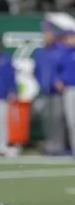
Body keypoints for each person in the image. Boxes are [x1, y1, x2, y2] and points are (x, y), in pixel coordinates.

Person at [33, 22, 66, 155]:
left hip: (58, 92)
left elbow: (65, 68)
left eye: (50, 34)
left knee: (58, 118)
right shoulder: (40, 52)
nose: (48, 37)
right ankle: (51, 144)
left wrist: (60, 81)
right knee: (47, 119)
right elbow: (36, 71)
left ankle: (59, 145)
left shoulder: (60, 51)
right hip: (45, 91)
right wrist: (41, 83)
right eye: (46, 34)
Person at [56, 30, 75, 155]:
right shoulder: (62, 53)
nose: (70, 40)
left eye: (72, 38)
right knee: (71, 121)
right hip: (69, 89)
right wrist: (57, 81)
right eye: (68, 38)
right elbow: (56, 70)